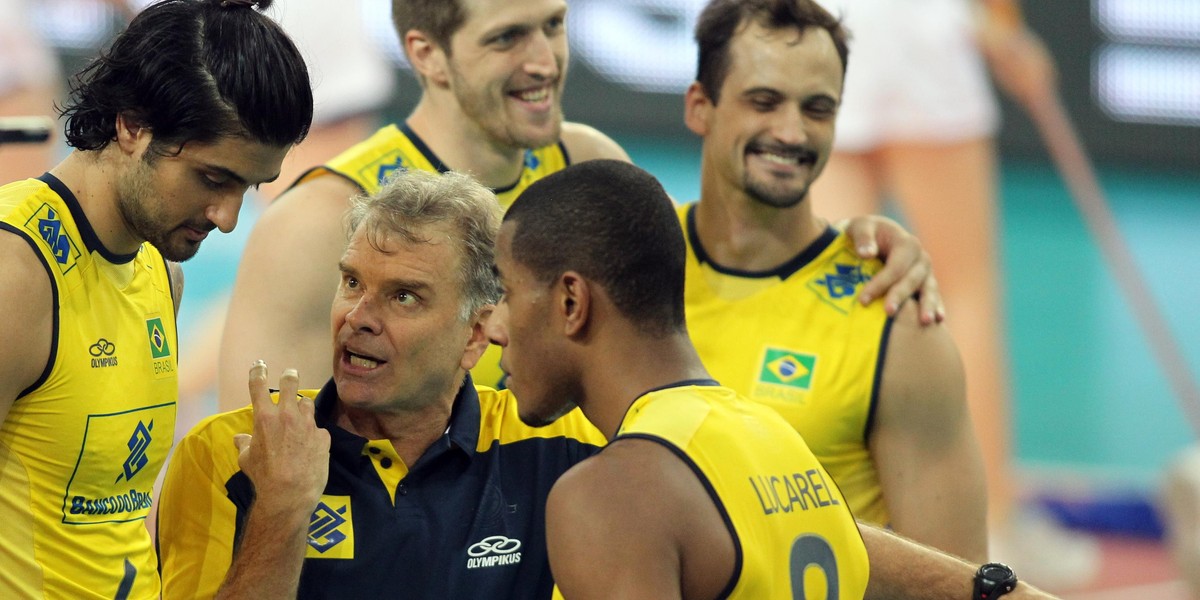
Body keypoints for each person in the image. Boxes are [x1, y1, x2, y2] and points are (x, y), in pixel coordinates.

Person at [215, 0, 946, 411]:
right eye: (508, 37)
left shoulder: (590, 163)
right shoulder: (322, 222)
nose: (544, 61)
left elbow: (713, 278)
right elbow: (257, 465)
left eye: (554, 25)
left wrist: (858, 241)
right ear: (427, 54)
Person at [486, 158, 1057, 599]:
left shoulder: (609, 497)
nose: (493, 327)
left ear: (571, 302)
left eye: (506, 294)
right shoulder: (775, 440)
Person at [156, 170, 607, 599]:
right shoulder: (231, 453)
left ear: (475, 334)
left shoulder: (563, 447)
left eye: (403, 296)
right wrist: (279, 510)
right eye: (352, 282)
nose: (358, 318)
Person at [0, 0, 312, 597]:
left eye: (249, 187)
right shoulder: (15, 270)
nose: (227, 217)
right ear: (132, 125)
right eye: (213, 178)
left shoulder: (161, 272)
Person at [676, 0, 986, 560]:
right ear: (700, 107)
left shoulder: (892, 319)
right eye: (764, 102)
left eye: (817, 109)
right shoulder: (633, 265)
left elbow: (955, 582)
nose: (791, 132)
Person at [808, 0, 1060, 562]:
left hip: (819, 32)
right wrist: (1004, 28)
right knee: (963, 291)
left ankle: (826, 520)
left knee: (833, 294)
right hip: (915, 31)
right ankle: (990, 528)